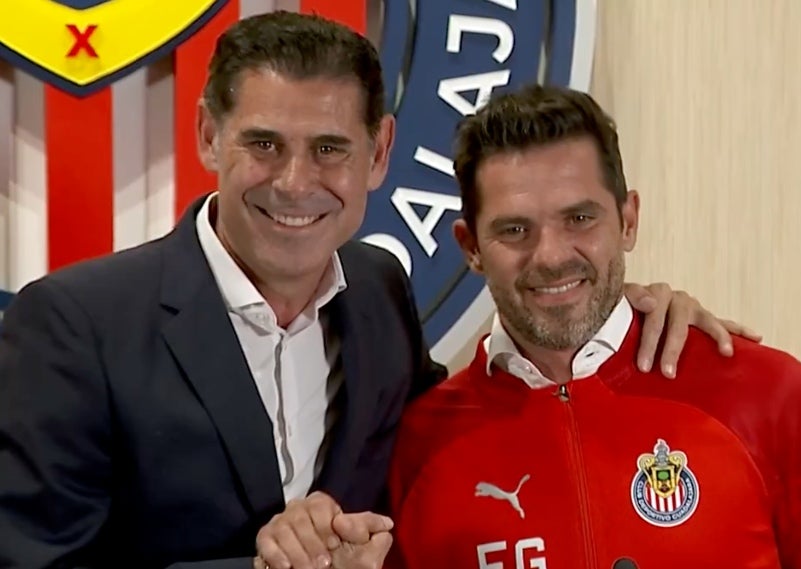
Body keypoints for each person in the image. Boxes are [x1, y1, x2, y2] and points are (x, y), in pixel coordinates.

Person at [0, 12, 755, 569]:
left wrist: (619, 320)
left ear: (381, 152)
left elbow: (466, 426)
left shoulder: (378, 293)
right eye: (264, 144)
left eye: (330, 148)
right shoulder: (73, 324)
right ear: (207, 136)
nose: (295, 181)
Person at [384, 85, 801, 569]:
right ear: (471, 248)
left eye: (579, 218)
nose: (551, 256)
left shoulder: (770, 397)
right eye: (515, 230)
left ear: (628, 221)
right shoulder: (417, 447)